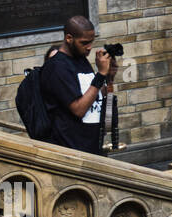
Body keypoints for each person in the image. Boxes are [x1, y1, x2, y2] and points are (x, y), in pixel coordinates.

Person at [39, 15, 117, 154]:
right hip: (72, 150)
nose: (89, 47)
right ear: (69, 38)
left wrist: (109, 77)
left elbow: (96, 94)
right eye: (84, 43)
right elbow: (79, 109)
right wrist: (100, 75)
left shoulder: (81, 60)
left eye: (91, 42)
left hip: (93, 145)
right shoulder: (57, 67)